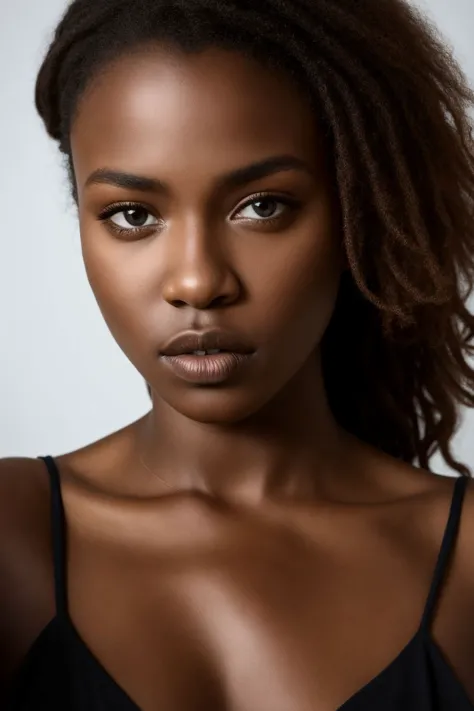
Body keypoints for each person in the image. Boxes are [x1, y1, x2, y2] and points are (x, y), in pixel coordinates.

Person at [2, 0, 474, 708]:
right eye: (133, 215)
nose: (197, 280)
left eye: (262, 205)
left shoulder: (465, 561)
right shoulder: (15, 540)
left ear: (360, 211)